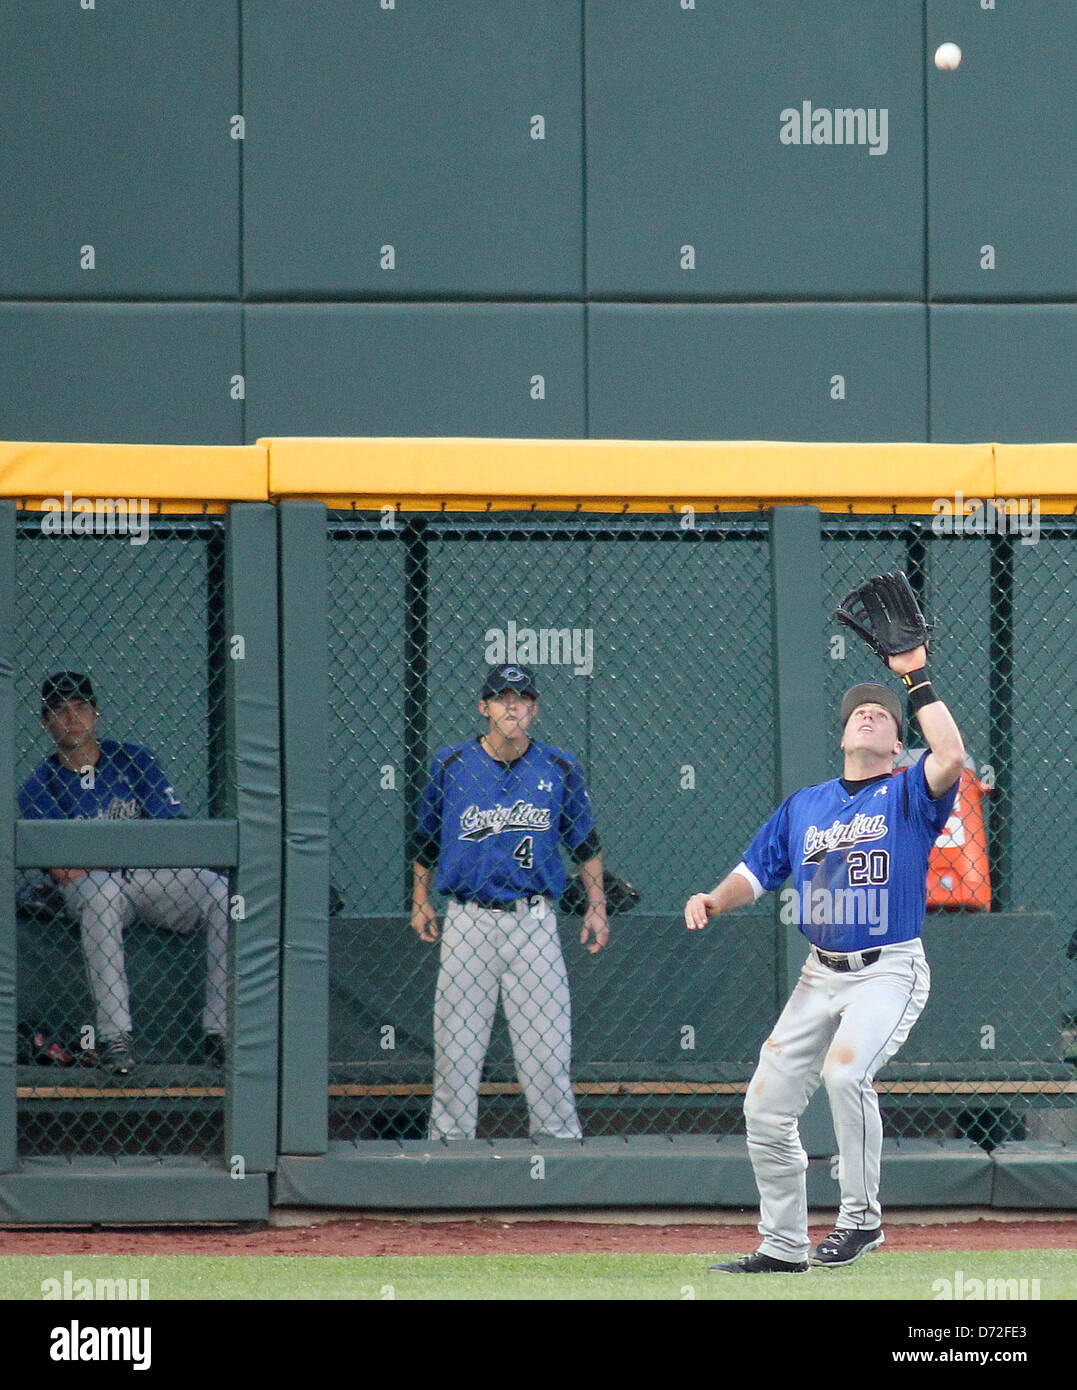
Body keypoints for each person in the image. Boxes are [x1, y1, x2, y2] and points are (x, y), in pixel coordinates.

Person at [685, 643, 964, 1272]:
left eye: (882, 714)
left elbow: (950, 755)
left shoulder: (908, 793)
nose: (867, 714)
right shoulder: (804, 806)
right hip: (820, 975)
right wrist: (713, 899)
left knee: (845, 1075)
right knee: (766, 1106)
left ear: (898, 744)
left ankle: (861, 1221)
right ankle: (784, 1246)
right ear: (841, 735)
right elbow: (755, 872)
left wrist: (914, 678)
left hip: (888, 968)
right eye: (857, 711)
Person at [411, 662, 608, 1140]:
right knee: (457, 1047)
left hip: (534, 920)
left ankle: (557, 1145)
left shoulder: (558, 766)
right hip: (466, 921)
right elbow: (424, 841)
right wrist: (420, 898)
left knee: (547, 1048)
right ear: (484, 708)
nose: (512, 705)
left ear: (534, 709)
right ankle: (448, 1148)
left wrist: (597, 905)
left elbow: (585, 844)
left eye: (521, 698)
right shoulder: (451, 764)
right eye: (502, 697)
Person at [18, 672, 229, 1076]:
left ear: (96, 713)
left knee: (220, 892)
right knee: (100, 893)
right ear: (46, 723)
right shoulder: (37, 787)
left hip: (150, 878)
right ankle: (116, 1038)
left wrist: (97, 854)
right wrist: (129, 850)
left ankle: (219, 1032)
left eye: (80, 708)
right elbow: (65, 871)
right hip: (96, 887)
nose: (72, 718)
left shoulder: (135, 759)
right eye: (60, 711)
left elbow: (169, 836)